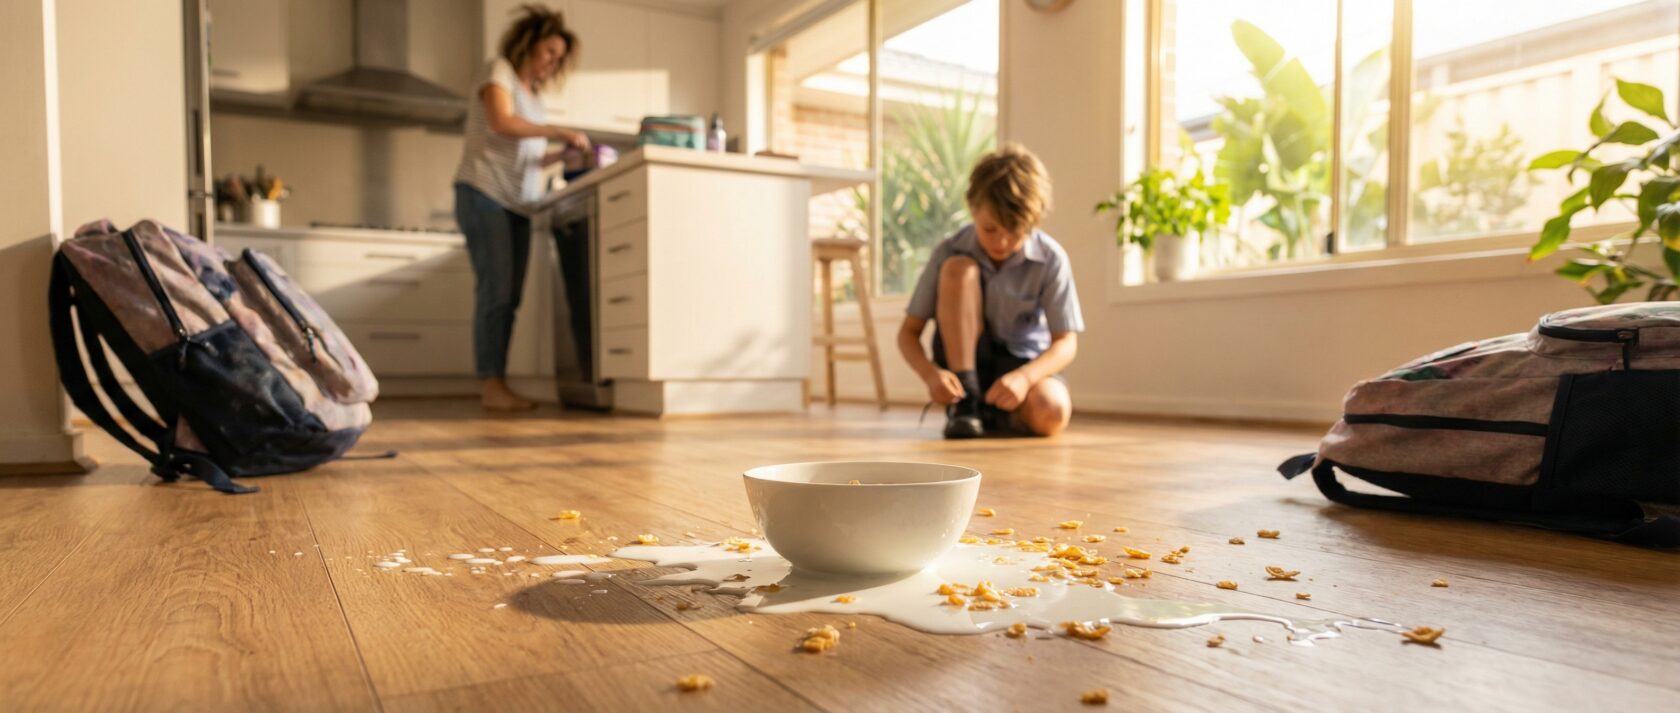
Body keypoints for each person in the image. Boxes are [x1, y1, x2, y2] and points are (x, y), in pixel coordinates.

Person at [453, 4, 590, 411]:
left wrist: (557, 157)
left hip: (518, 204)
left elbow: (525, 153)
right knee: (496, 292)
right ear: (529, 44)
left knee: (510, 296)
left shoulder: (534, 99)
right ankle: (492, 386)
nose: (553, 61)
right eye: (549, 51)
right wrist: (559, 130)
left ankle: (497, 383)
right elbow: (501, 123)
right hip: (484, 193)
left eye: (559, 57)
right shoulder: (499, 71)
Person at [896, 143, 1083, 438]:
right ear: (973, 209)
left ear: (1033, 221)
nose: (1002, 243)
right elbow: (908, 333)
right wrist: (931, 375)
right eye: (990, 229)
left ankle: (998, 414)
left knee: (1053, 412)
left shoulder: (1051, 258)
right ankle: (968, 403)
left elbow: (1066, 342)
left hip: (1022, 363)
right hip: (963, 365)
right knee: (959, 269)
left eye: (1016, 231)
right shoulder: (949, 250)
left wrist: (1024, 378)